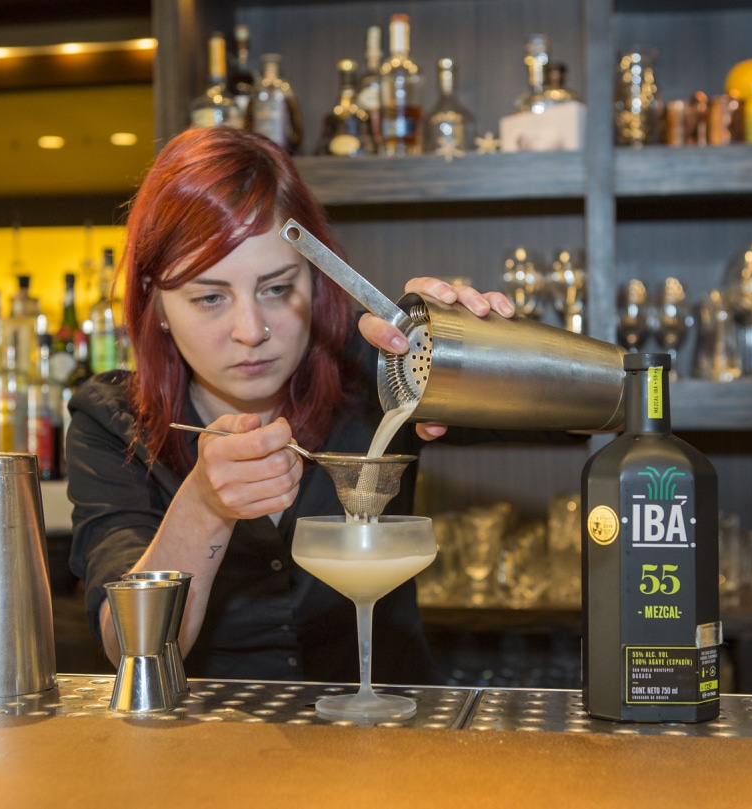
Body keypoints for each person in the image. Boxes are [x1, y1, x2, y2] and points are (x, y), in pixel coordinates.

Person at [66, 126, 516, 684]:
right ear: (155, 304)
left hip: (394, 727)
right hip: (211, 733)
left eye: (277, 288)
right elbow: (131, 650)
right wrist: (203, 507)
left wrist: (479, 348)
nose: (251, 330)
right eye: (210, 298)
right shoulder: (113, 422)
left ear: (317, 278)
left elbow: (591, 420)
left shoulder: (384, 367)